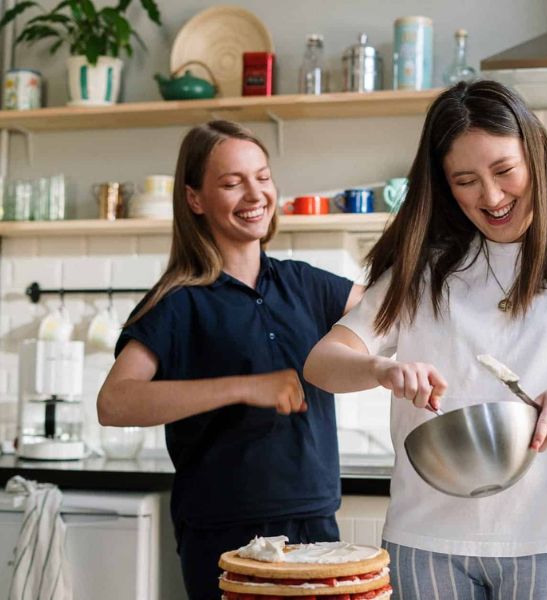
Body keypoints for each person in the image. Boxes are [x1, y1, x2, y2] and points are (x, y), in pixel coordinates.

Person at [303, 80, 547, 599]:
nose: (491, 198)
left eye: (504, 171)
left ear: (535, 157)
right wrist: (379, 370)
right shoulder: (424, 267)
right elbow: (322, 362)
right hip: (427, 539)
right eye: (466, 180)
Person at [97, 120, 362, 600]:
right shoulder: (177, 302)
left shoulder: (305, 284)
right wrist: (246, 386)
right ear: (195, 199)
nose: (254, 193)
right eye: (231, 182)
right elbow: (114, 403)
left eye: (262, 177)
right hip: (223, 535)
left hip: (315, 522)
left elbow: (396, 312)